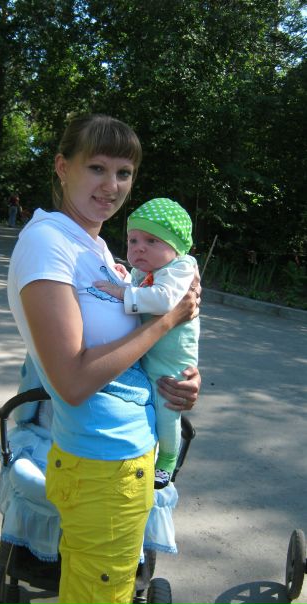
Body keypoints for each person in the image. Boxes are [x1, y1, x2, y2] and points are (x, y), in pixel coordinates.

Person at [7, 113, 201, 604]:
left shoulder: (95, 247)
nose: (111, 185)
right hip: (102, 461)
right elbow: (72, 381)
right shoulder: (47, 243)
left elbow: (128, 348)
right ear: (62, 167)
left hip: (120, 456)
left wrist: (179, 377)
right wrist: (167, 321)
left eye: (123, 172)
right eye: (96, 167)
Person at [93, 197, 200, 490]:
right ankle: (148, 454)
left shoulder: (182, 266)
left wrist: (120, 292)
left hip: (171, 361)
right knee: (150, 408)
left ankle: (167, 458)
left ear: (176, 246)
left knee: (167, 409)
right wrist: (126, 280)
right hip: (148, 353)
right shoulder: (145, 270)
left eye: (152, 241)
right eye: (133, 240)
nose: (139, 247)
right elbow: (141, 292)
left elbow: (163, 299)